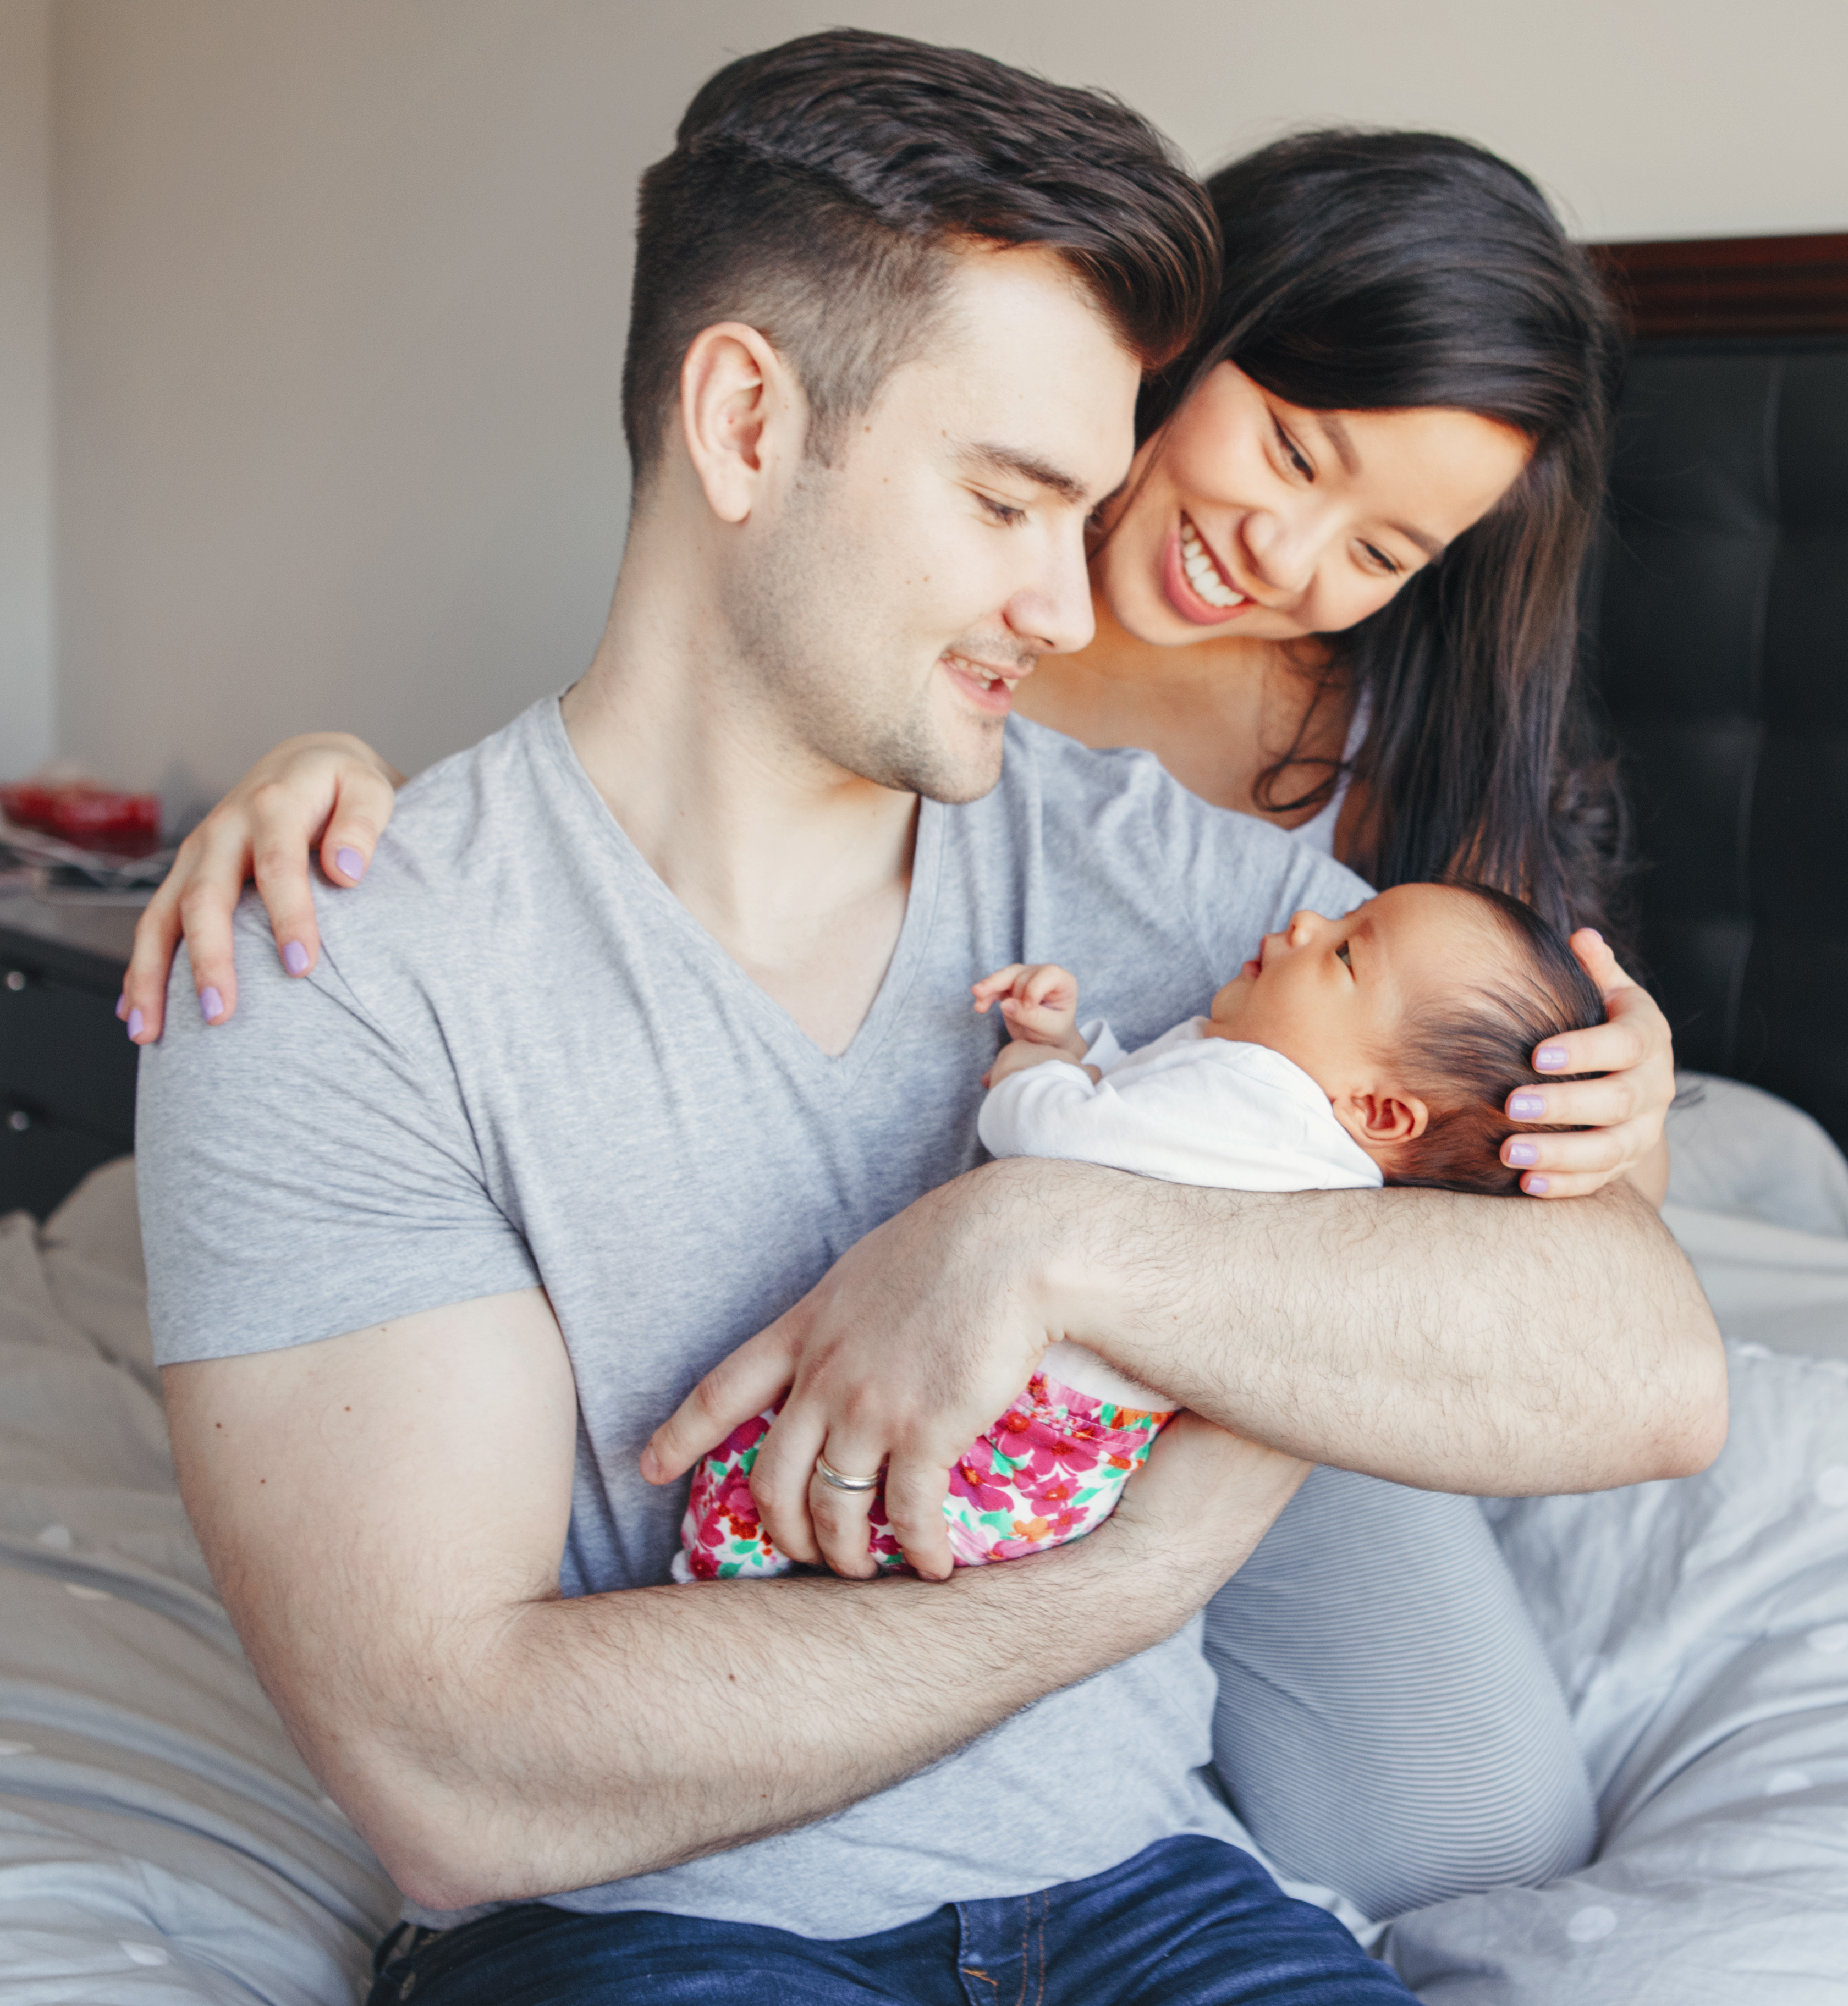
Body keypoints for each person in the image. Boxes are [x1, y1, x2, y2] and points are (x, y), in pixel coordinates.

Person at [136, 32, 1726, 2006]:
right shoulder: (342, 958)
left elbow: (1651, 1360)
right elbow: (454, 1777)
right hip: (673, 1929)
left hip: (1152, 1882)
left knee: (1461, 1823)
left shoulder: (1215, 882)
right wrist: (1137, 1568)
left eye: (1378, 550)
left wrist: (1040, 1233)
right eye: (1010, 498)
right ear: (743, 421)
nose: (1077, 606)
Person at [116, 127, 1669, 1206]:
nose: (1285, 553)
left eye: (1382, 555)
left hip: (1259, 1317)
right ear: (1188, 333)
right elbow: (629, 837)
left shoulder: (1387, 756)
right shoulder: (911, 616)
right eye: (1290, 449)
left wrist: (1625, 1104)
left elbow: (1498, 1106)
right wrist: (336, 783)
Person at [679, 880, 1609, 1580]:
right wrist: (1069, 1048)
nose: (1303, 926)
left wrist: (1027, 1072)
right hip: (1078, 1463)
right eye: (1339, 918)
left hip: (1023, 1428)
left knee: (777, 1467)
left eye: (1344, 957)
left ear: (1381, 1109)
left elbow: (1053, 1135)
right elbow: (1135, 1122)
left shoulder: (1261, 1096)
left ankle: (711, 1573)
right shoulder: (1298, 1136)